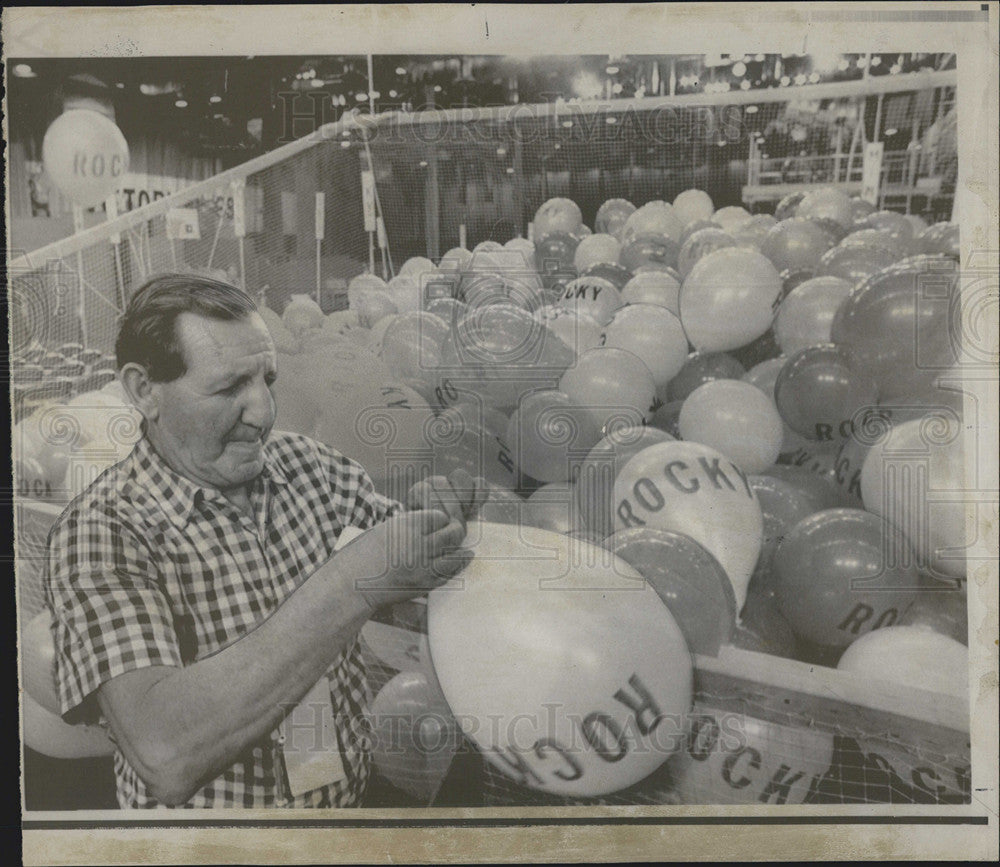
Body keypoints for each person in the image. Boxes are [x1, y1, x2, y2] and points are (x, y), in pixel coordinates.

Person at [43, 274, 487, 808]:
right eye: (230, 387)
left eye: (267, 380)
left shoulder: (313, 468)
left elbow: (407, 586)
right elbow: (164, 751)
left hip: (344, 819)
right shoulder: (101, 531)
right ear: (144, 391)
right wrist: (352, 580)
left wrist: (434, 522)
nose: (264, 413)